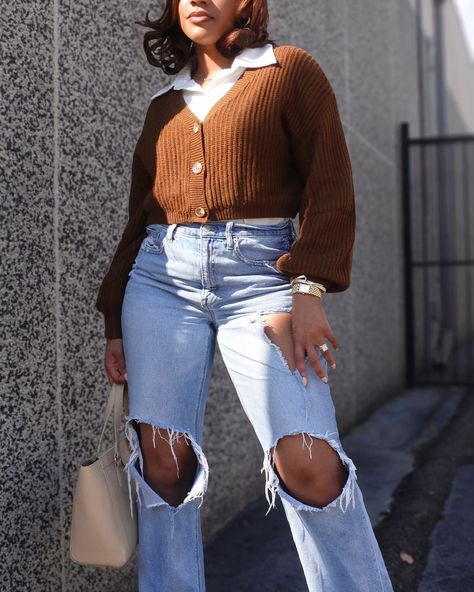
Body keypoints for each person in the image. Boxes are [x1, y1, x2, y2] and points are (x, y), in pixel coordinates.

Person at [95, 0, 394, 590]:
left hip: (264, 278)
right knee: (163, 464)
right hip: (159, 282)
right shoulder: (163, 106)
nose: (196, 1)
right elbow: (139, 221)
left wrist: (307, 288)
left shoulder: (289, 71)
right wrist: (115, 322)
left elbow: (331, 184)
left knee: (308, 460)